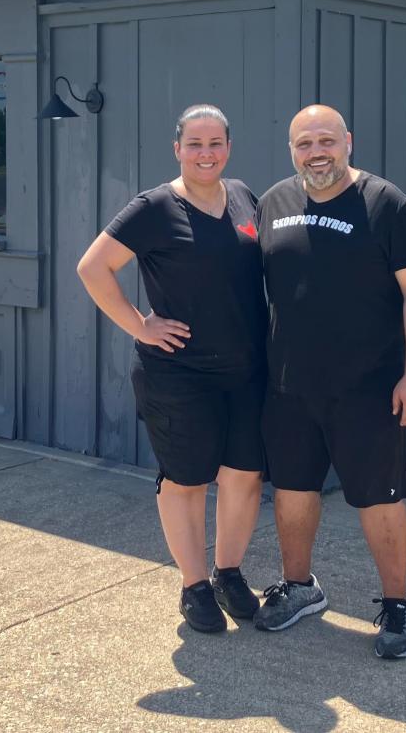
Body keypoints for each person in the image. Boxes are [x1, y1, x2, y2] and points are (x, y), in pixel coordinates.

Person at [253, 104, 406, 659]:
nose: (317, 153)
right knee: (291, 491)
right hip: (288, 386)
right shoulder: (273, 203)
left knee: (378, 498)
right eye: (304, 144)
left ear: (348, 142)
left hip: (369, 387)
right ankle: (301, 587)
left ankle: (397, 605)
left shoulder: (387, 205)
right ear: (292, 150)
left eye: (326, 141)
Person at [76, 104, 267, 634]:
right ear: (177, 149)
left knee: (244, 475)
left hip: (246, 370)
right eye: (195, 144)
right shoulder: (154, 207)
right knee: (185, 481)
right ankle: (194, 585)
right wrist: (140, 325)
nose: (205, 154)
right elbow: (92, 268)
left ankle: (228, 574)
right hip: (177, 374)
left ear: (228, 146)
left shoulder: (246, 197)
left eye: (215, 143)